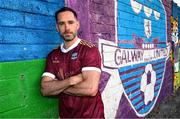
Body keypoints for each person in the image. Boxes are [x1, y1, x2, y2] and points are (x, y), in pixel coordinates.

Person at [40, 7, 104, 118]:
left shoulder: (89, 50)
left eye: (70, 22)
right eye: (62, 23)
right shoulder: (53, 55)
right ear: (57, 27)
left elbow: (90, 89)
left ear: (77, 25)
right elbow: (44, 90)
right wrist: (71, 81)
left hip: (91, 116)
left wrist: (57, 86)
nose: (67, 28)